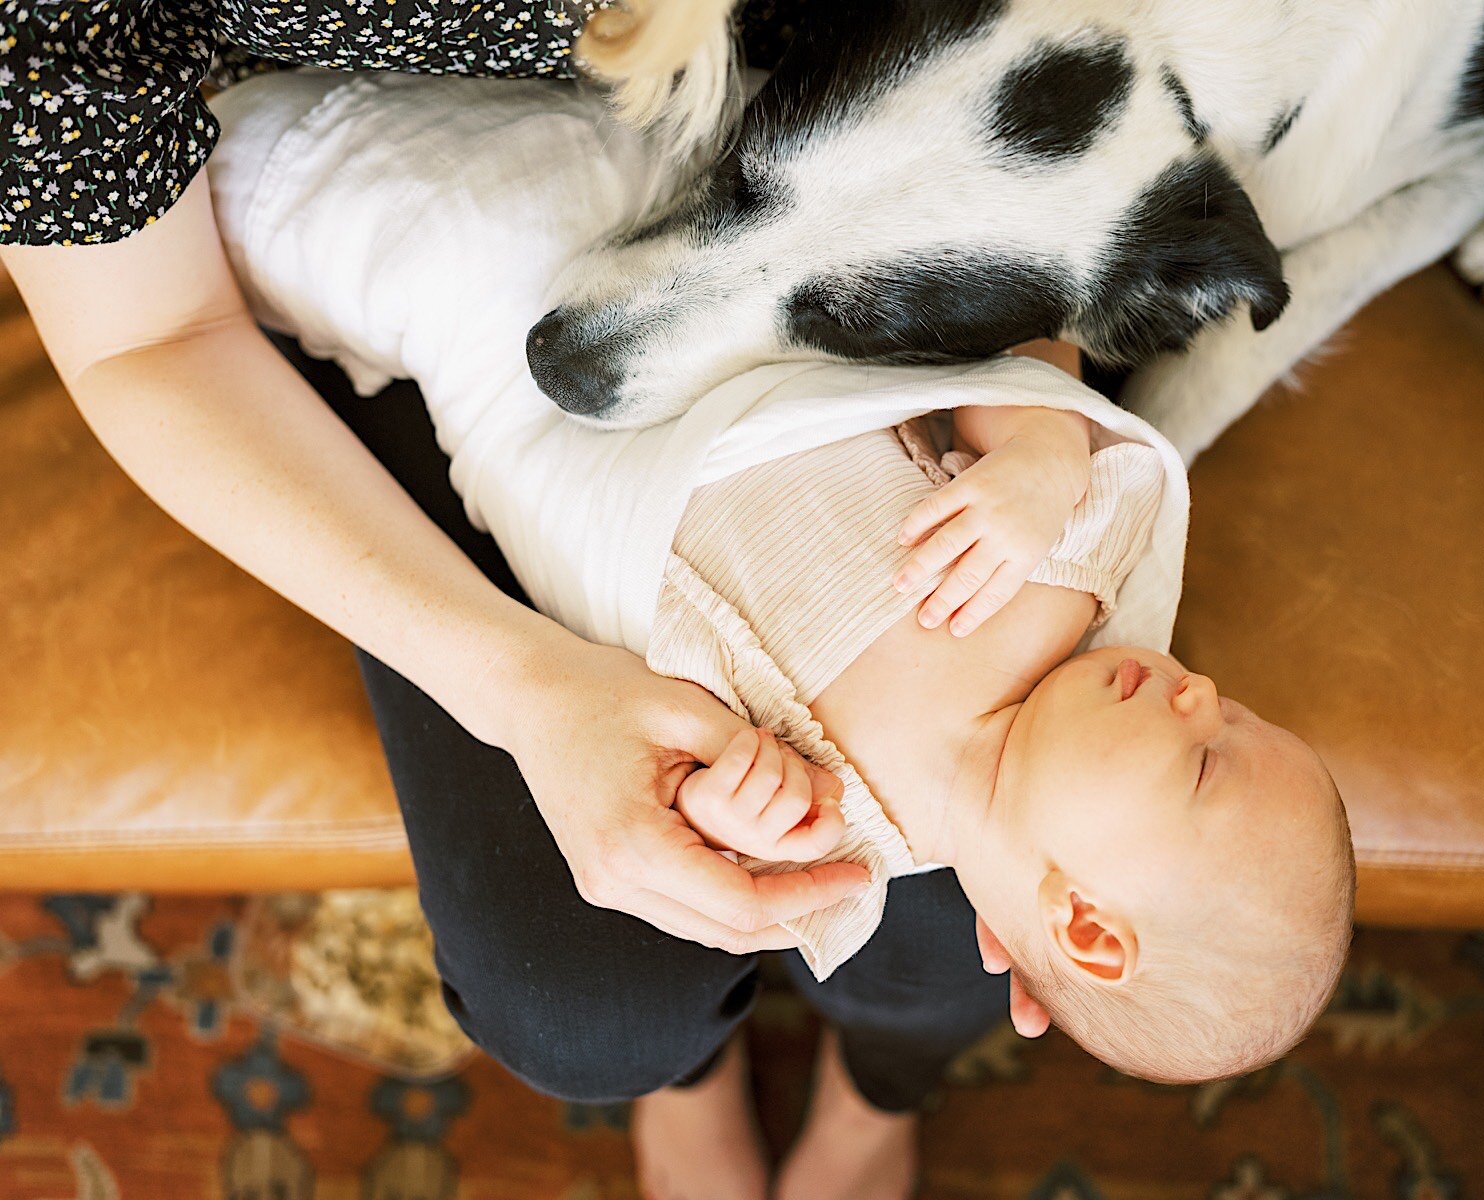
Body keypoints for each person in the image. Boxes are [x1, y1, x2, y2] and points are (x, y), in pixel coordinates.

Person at [0, 4, 1051, 1199]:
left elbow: (1014, 59)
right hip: (412, 273)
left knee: (951, 924)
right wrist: (525, 691)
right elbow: (149, 336)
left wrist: (1029, 404)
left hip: (832, 220)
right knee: (582, 1007)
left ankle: (877, 1094)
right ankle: (689, 1076)